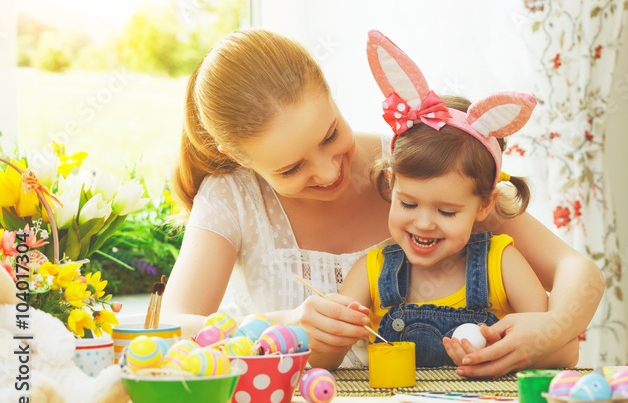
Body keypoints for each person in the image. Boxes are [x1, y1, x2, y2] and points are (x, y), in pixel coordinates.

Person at [161, 28, 603, 376]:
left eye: (331, 135)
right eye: (291, 170)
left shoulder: (414, 167)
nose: (329, 171)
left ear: (333, 94)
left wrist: (553, 329)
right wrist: (282, 323)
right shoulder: (233, 197)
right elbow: (168, 330)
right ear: (241, 162)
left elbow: (575, 269)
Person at [320, 31, 579, 371]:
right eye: (408, 204)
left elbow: (565, 352)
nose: (424, 223)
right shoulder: (372, 271)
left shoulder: (502, 263)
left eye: (446, 211)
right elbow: (325, 362)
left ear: (484, 205)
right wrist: (330, 333)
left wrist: (504, 349)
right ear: (391, 185)